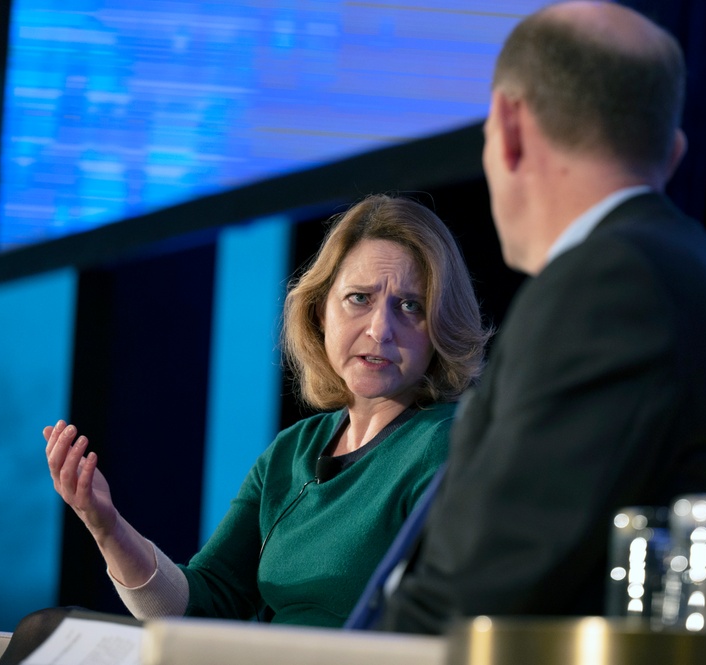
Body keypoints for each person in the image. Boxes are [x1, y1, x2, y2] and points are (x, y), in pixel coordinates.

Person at [378, 1, 706, 633]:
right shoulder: (673, 266)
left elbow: (478, 590)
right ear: (673, 154)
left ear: (510, 126)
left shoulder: (610, 284)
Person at [45, 194, 490, 627]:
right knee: (43, 631)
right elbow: (204, 605)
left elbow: (439, 622)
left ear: (439, 328)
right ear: (320, 312)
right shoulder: (292, 451)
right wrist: (106, 527)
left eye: (410, 306)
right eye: (360, 299)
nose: (380, 329)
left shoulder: (448, 443)